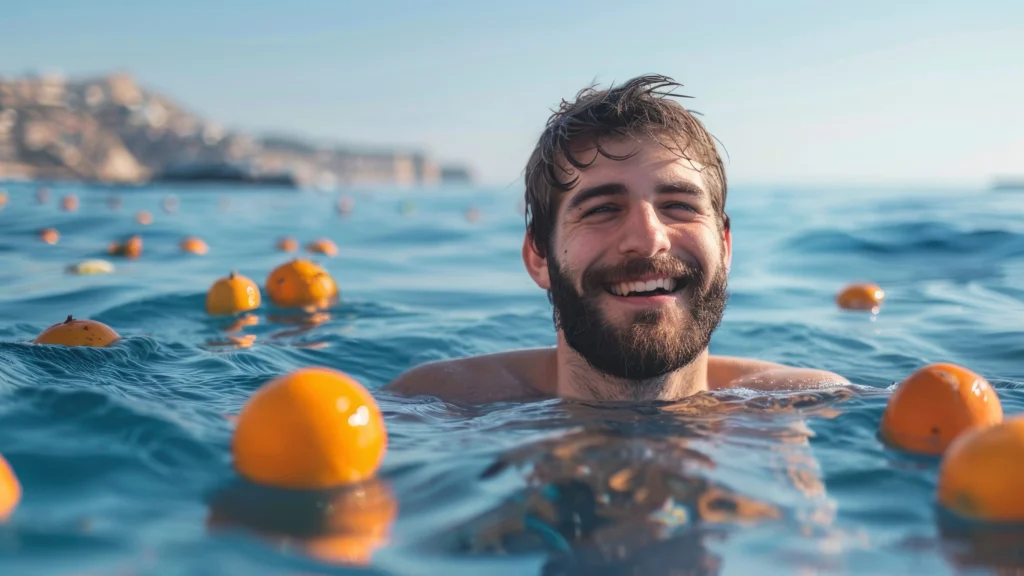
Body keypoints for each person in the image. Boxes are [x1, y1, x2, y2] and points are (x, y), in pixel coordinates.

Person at [387, 74, 848, 403]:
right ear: (539, 257)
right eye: (603, 209)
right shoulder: (437, 406)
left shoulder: (804, 406)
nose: (649, 240)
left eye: (679, 206)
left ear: (724, 247)